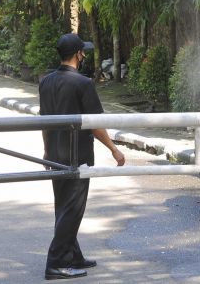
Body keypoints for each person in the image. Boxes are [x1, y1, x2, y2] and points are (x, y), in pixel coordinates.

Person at [39, 33, 126, 280]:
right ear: (78, 54)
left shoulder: (45, 81)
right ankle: (55, 264)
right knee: (72, 210)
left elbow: (45, 122)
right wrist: (114, 149)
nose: (84, 55)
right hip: (77, 156)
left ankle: (73, 255)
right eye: (83, 51)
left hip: (54, 154)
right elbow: (95, 125)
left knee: (63, 207)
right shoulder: (83, 83)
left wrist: (46, 151)